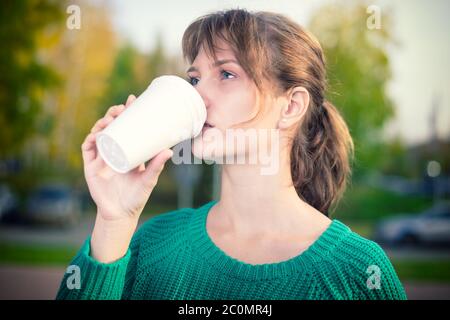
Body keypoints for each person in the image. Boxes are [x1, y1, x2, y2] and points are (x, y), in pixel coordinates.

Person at [56, 9, 407, 300]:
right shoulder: (152, 245)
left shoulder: (357, 272)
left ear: (291, 106)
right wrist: (113, 221)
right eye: (194, 78)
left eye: (226, 73)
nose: (199, 95)